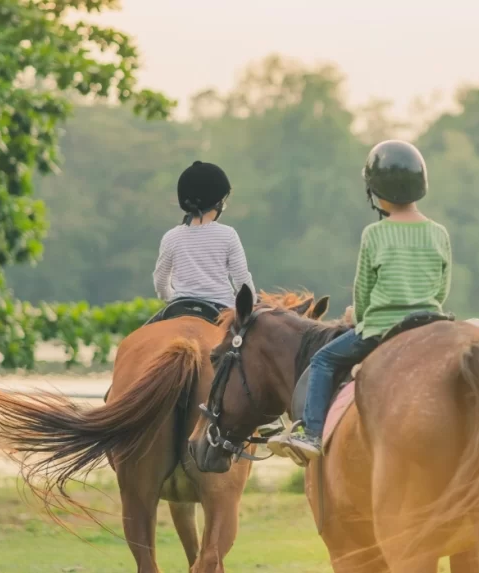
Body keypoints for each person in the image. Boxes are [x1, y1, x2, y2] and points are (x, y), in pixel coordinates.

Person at [269, 140, 452, 463]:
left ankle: (310, 432)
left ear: (375, 192)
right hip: (430, 328)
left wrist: (359, 315)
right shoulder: (439, 233)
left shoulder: (375, 234)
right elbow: (441, 290)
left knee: (324, 361)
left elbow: (364, 290)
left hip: (382, 330)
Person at [152, 161, 255, 310]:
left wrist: (171, 298)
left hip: (179, 308)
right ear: (218, 203)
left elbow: (160, 282)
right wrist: (253, 305)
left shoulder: (171, 237)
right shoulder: (228, 235)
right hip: (221, 309)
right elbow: (242, 281)